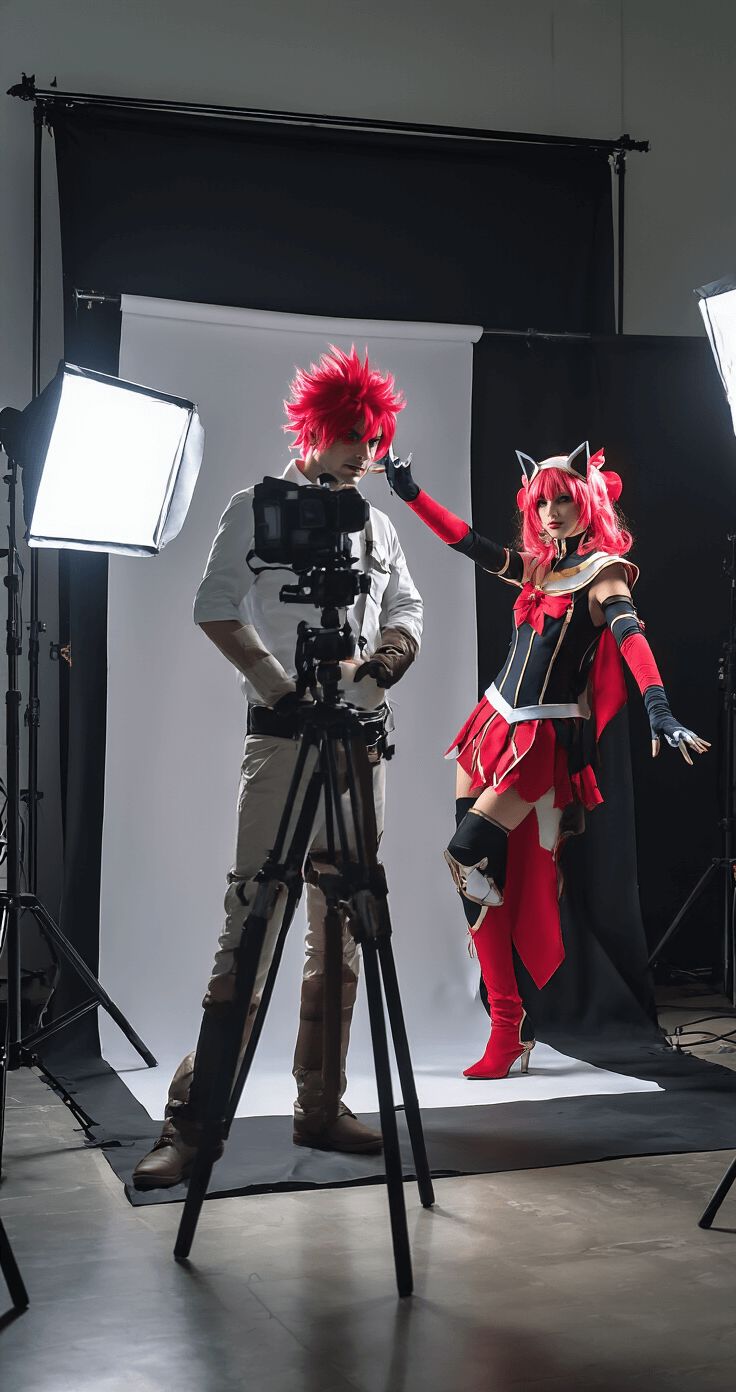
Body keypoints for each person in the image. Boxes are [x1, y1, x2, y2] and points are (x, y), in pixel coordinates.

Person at [133, 346, 423, 1189]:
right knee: (255, 915)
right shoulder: (252, 509)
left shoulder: (375, 521)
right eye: (350, 435)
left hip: (356, 741)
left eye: (372, 437)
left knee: (342, 929)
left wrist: (378, 668)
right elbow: (214, 605)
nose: (363, 452)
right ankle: (194, 1125)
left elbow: (404, 605)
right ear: (314, 427)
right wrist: (277, 682)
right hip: (283, 738)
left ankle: (320, 1106)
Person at [383, 442, 709, 1080]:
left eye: (564, 498)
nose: (552, 510)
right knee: (483, 882)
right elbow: (468, 544)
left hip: (541, 740)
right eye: (542, 501)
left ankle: (508, 1026)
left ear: (586, 503)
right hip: (489, 725)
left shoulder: (605, 571)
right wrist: (410, 493)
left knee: (467, 855)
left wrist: (660, 708)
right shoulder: (536, 569)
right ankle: (514, 1027)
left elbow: (630, 636)